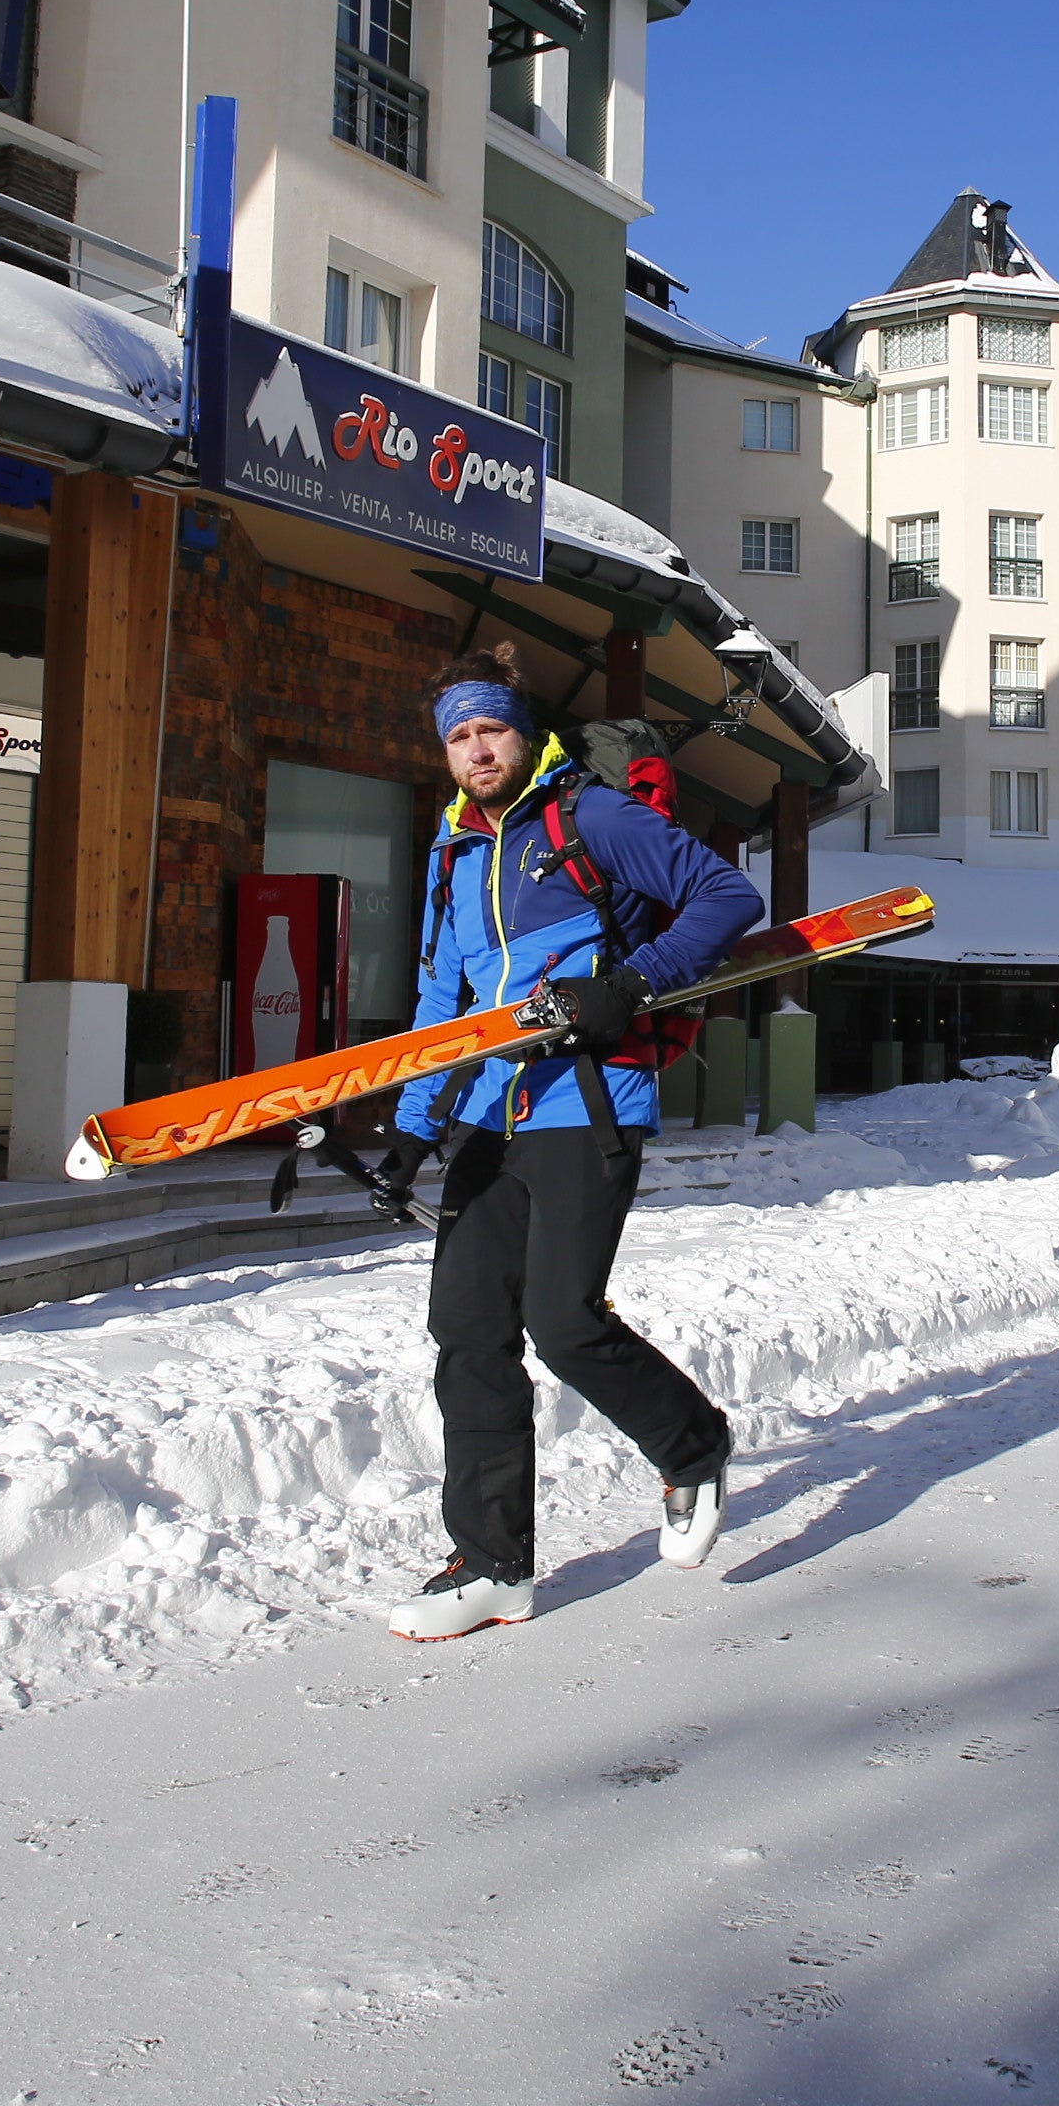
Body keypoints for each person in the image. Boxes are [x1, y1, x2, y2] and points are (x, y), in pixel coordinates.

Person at [369, 645, 763, 1642]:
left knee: (564, 1321)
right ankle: (492, 1561)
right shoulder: (452, 849)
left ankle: (693, 1446)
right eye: (456, 737)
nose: (473, 751)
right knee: (465, 1330)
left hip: (589, 1098)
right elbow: (441, 998)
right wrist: (410, 1134)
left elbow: (726, 898)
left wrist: (625, 987)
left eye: (487, 729)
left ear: (522, 729)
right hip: (486, 1114)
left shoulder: (588, 815)